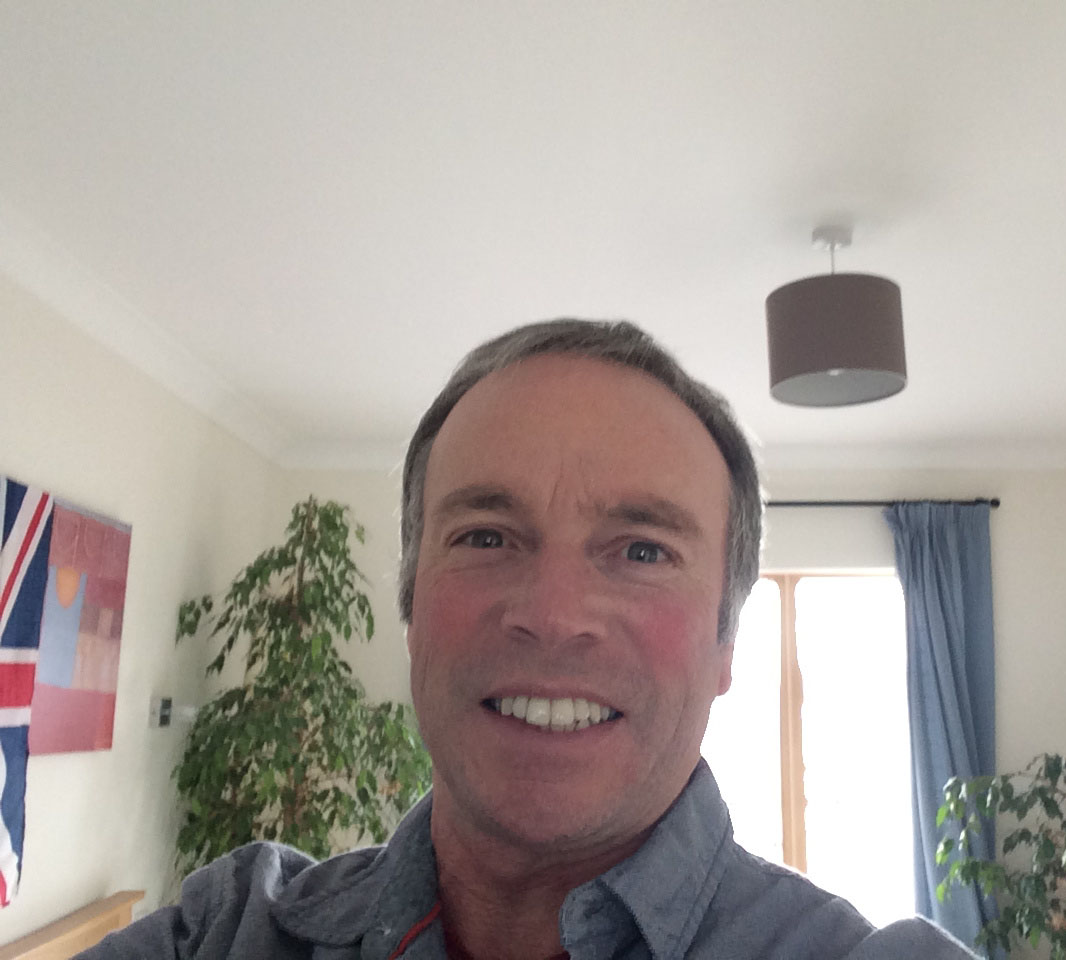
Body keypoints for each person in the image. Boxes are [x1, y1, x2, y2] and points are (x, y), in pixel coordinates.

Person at [84, 320, 976, 959]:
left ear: (726, 645)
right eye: (485, 536)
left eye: (642, 550)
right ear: (410, 603)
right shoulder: (228, 931)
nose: (552, 615)